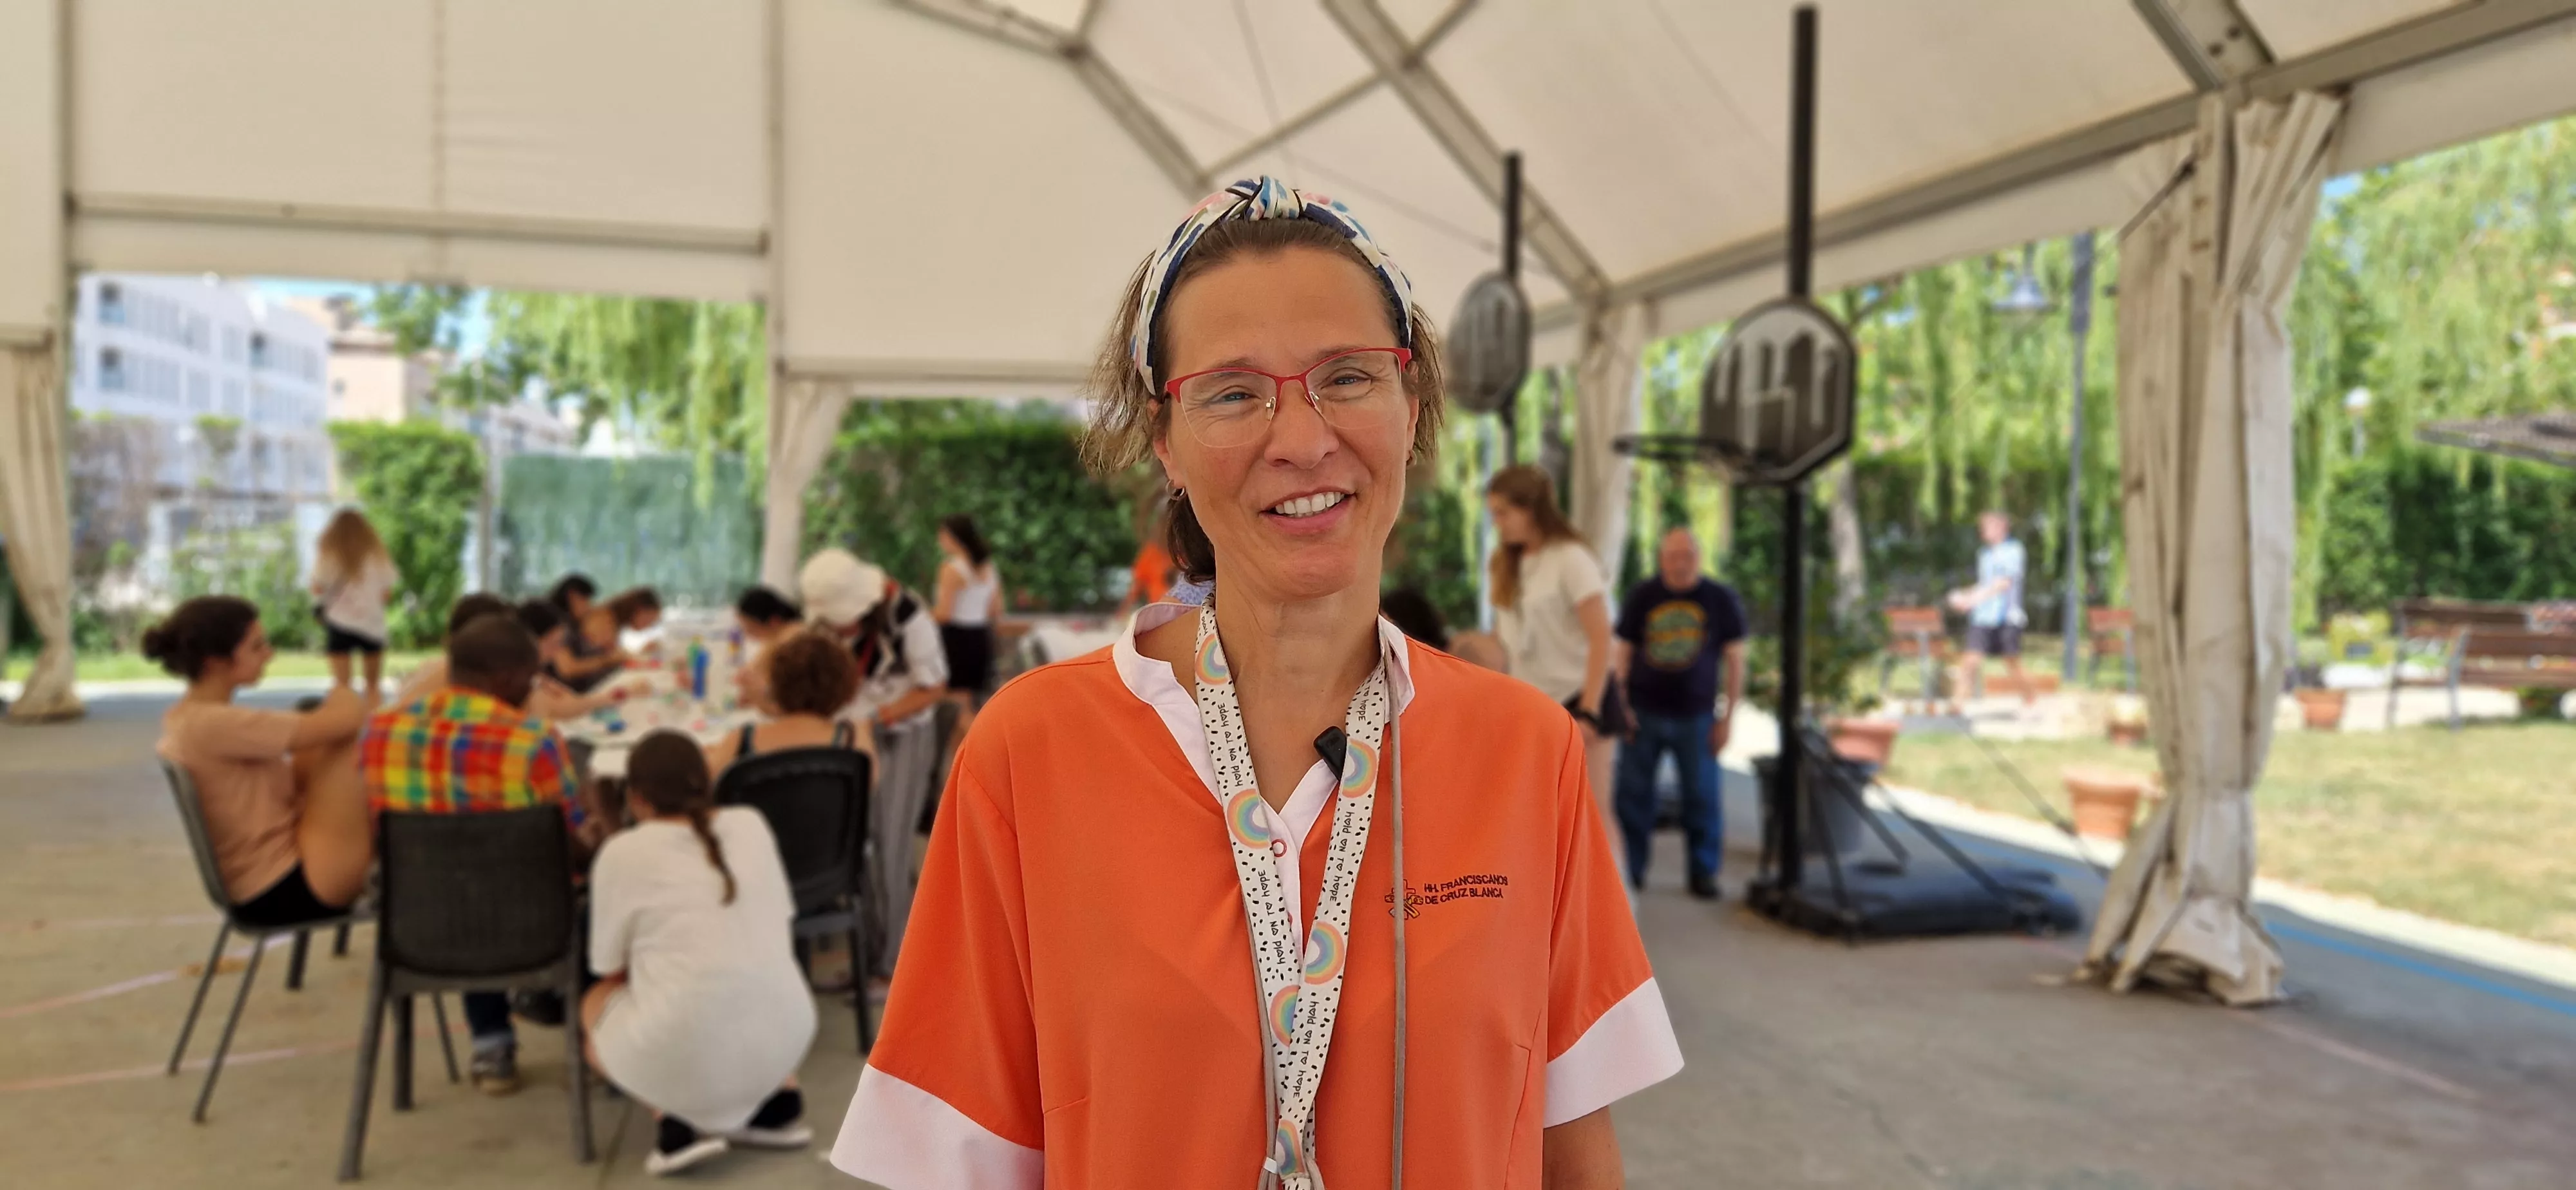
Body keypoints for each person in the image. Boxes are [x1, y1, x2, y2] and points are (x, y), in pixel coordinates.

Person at [831, 176, 1677, 1189]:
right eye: (1233, 392)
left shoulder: (1525, 750)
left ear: (1410, 407)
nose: (1303, 438)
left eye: (1349, 377)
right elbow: (956, 1163)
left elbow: (1572, 1145)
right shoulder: (1031, 752)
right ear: (1165, 442)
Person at [363, 613, 588, 1095]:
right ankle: (588, 1029)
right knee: (567, 888)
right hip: (528, 926)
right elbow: (566, 845)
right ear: (506, 679)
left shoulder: (380, 730)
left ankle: (491, 1043)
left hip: (413, 924)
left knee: (464, 884)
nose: (533, 692)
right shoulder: (532, 740)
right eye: (530, 681)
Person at [583, 731, 818, 1176]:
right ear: (709, 780)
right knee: (735, 979)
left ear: (634, 798)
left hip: (685, 1036)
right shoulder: (752, 824)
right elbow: (780, 919)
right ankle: (774, 1099)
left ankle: (673, 1117)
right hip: (793, 1028)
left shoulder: (620, 854)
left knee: (595, 1002)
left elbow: (609, 966)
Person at [148, 596, 375, 926]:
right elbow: (350, 719)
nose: (269, 654)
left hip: (268, 884)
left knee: (322, 737)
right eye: (257, 647)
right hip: (282, 890)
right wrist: (344, 689)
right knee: (346, 743)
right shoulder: (214, 724)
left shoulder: (189, 719)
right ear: (215, 662)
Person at [800, 546, 947, 987]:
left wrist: (876, 718)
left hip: (900, 734)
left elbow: (933, 688)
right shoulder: (827, 619)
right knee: (857, 840)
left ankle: (894, 970)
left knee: (890, 844)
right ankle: (872, 953)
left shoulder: (909, 618)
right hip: (853, 730)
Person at [1610, 527, 1748, 900]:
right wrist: (1620, 706)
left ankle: (1704, 873)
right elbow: (1622, 654)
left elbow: (1736, 662)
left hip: (1698, 716)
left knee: (1702, 796)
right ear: (1661, 559)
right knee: (1633, 796)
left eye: (1687, 556)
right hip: (1644, 711)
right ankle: (1632, 871)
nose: (1680, 564)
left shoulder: (1720, 599)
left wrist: (1729, 717)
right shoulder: (1643, 595)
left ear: (1699, 559)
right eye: (1672, 556)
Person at [1485, 464, 1623, 830]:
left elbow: (1601, 637)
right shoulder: (1504, 563)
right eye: (1493, 514)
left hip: (1581, 699)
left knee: (1593, 819)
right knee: (1543, 821)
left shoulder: (1572, 559)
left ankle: (1617, 889)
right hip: (1535, 703)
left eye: (1503, 513)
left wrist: (1590, 711)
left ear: (1531, 509)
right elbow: (1505, 643)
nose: (1498, 523)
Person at [702, 630, 871, 773]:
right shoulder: (855, 739)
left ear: (775, 683)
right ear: (847, 687)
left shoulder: (742, 740)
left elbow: (706, 782)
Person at [1947, 510, 2034, 712]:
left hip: (2007, 617)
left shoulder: (2014, 551)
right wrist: (1964, 595)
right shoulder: (1984, 554)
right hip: (1983, 617)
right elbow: (1986, 584)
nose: (1983, 531)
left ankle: (2030, 697)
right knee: (1970, 660)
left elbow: (2003, 583)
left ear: (2001, 527)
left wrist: (1974, 599)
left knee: (2012, 662)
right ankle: (1957, 705)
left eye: (1986, 527)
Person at [309, 508, 399, 700]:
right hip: (372, 625)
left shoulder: (329, 555)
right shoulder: (377, 556)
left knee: (342, 687)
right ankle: (374, 725)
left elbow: (317, 588)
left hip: (339, 623)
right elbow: (386, 594)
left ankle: (345, 726)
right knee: (373, 686)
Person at [931, 514, 1003, 741]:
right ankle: (961, 769)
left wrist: (922, 614)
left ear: (954, 537)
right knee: (967, 705)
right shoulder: (989, 568)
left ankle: (987, 752)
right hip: (980, 638)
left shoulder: (952, 569)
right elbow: (995, 610)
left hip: (957, 640)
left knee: (958, 709)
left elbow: (944, 613)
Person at [547, 574, 618, 692]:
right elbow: (568, 669)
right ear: (573, 597)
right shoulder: (556, 624)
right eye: (586, 600)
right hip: (565, 693)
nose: (589, 606)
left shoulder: (572, 623)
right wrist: (607, 660)